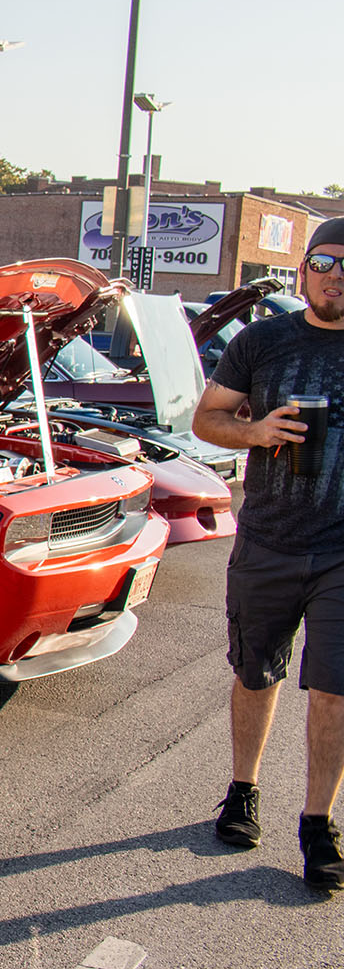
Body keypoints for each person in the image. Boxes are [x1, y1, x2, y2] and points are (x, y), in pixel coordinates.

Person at [193, 216, 344, 892]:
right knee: (257, 674)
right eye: (324, 262)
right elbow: (206, 419)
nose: (336, 275)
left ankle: (318, 823)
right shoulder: (263, 340)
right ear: (304, 270)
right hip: (269, 541)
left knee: (335, 692)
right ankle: (244, 790)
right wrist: (255, 431)